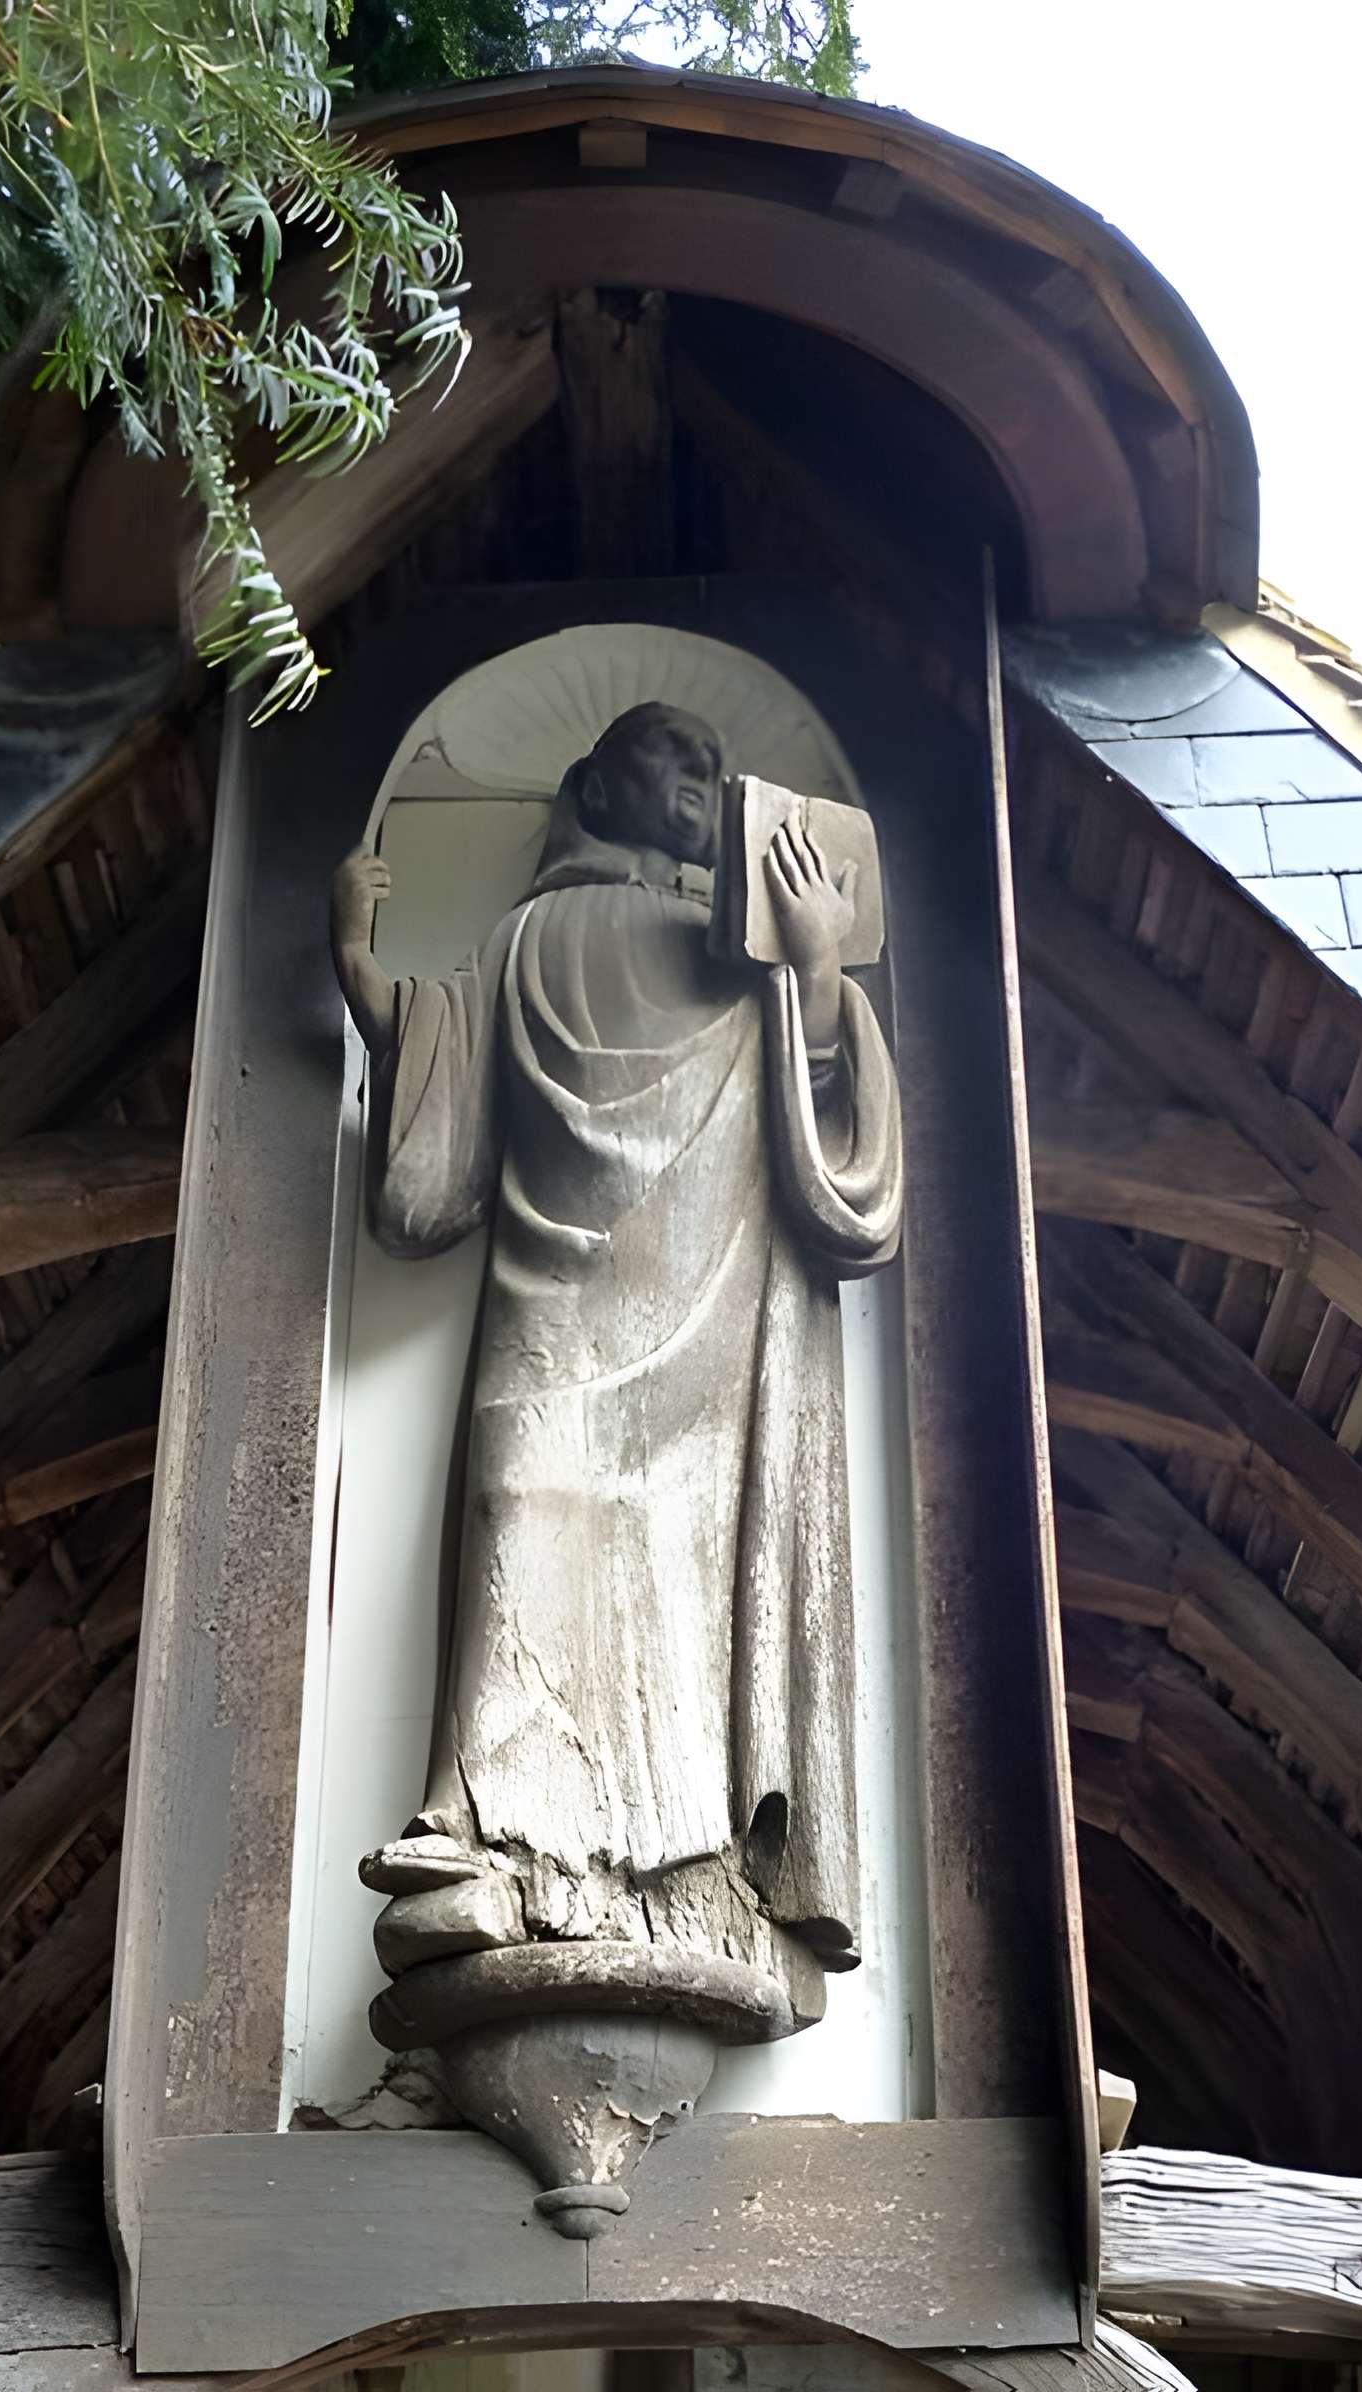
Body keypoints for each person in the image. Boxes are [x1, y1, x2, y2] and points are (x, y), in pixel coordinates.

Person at [330, 701, 902, 2015]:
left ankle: (679, 1871)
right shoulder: (528, 937)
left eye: (714, 760)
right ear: (594, 780)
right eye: (669, 753)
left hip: (709, 1337)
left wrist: (813, 971)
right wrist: (362, 973)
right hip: (555, 1311)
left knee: (689, 1594)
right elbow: (434, 1177)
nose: (698, 774)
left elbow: (842, 1172)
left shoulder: (745, 957)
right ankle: (473, 1829)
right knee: (515, 1505)